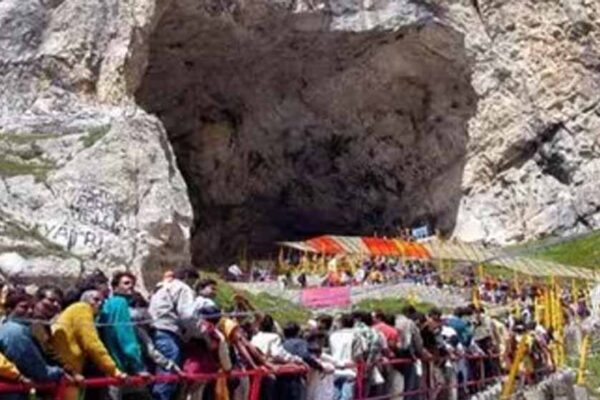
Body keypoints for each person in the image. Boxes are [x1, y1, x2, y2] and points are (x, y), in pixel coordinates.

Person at [51, 289, 127, 400]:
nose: (99, 304)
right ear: (84, 299)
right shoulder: (82, 308)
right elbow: (92, 343)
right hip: (67, 369)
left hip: (65, 368)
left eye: (102, 301)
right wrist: (114, 370)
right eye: (96, 299)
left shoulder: (74, 311)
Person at [0, 291, 65, 400]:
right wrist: (59, 372)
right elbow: (36, 368)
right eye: (24, 307)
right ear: (9, 310)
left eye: (32, 307)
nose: (30, 311)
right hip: (11, 391)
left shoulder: (10, 328)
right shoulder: (16, 332)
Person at [149, 267, 198, 400]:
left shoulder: (160, 288)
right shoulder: (183, 288)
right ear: (187, 277)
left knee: (159, 368)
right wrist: (194, 332)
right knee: (169, 371)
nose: (193, 285)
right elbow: (187, 315)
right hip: (169, 330)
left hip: (154, 329)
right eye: (193, 281)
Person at [99, 271, 149, 399]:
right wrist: (138, 366)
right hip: (122, 365)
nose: (130, 286)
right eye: (126, 283)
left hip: (109, 364)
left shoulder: (107, 304)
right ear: (115, 287)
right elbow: (125, 336)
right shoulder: (120, 303)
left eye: (132, 284)